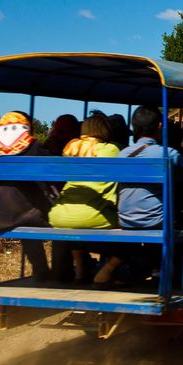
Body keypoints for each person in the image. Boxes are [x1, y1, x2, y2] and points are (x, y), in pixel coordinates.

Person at [0, 111, 58, 282]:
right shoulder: (34, 148)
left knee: (24, 215)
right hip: (17, 215)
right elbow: (52, 180)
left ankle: (41, 269)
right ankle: (57, 271)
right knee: (43, 217)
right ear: (27, 127)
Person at [49, 112, 121, 285]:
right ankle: (107, 271)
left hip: (59, 215)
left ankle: (81, 268)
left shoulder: (70, 148)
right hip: (94, 216)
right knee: (132, 226)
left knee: (75, 220)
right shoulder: (112, 149)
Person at [117, 106, 183, 229]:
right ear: (160, 127)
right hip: (157, 221)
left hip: (125, 221)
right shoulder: (167, 153)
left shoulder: (122, 154)